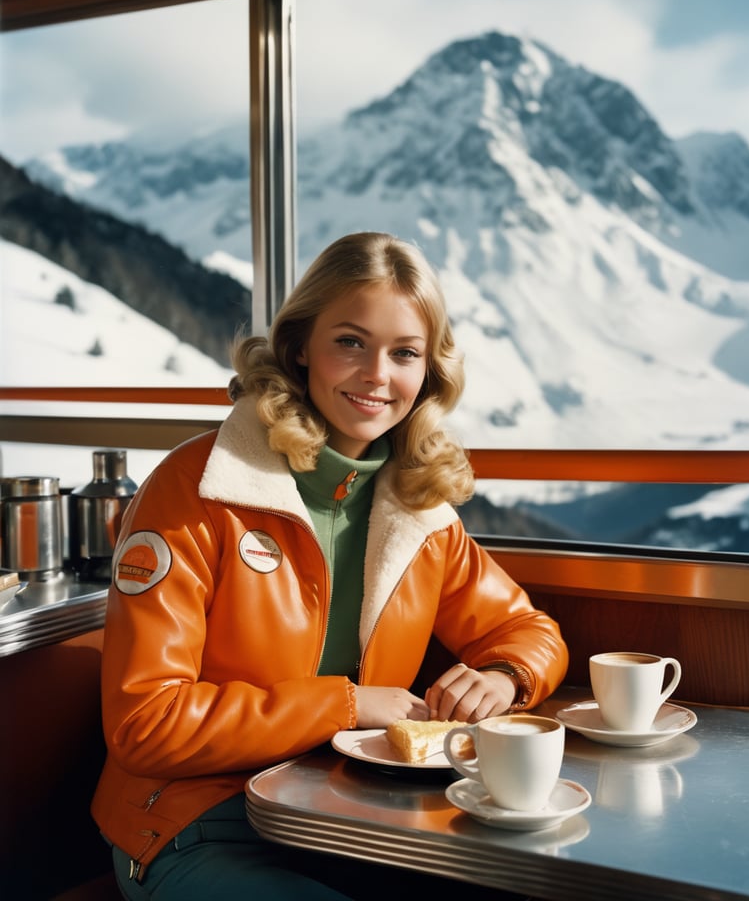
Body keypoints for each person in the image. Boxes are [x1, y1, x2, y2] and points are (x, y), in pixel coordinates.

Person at [92, 231, 568, 900]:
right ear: (298, 349)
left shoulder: (417, 510)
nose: (377, 373)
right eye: (350, 342)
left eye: (404, 353)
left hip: (354, 822)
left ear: (426, 373)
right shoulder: (195, 489)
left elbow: (528, 631)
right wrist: (346, 705)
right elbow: (147, 726)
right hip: (190, 827)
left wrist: (502, 675)